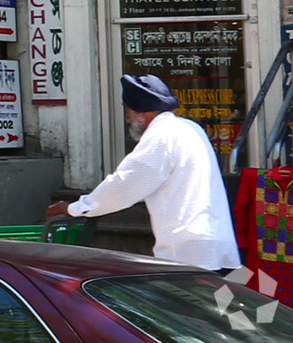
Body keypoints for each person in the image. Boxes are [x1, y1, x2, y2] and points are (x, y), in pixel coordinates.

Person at [47, 75, 241, 270]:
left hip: (187, 250)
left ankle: (264, 300)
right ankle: (265, 301)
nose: (128, 118)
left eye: (128, 111)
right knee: (230, 299)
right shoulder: (190, 128)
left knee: (189, 299)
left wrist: (75, 208)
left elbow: (124, 185)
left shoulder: (160, 136)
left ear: (141, 113)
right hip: (217, 240)